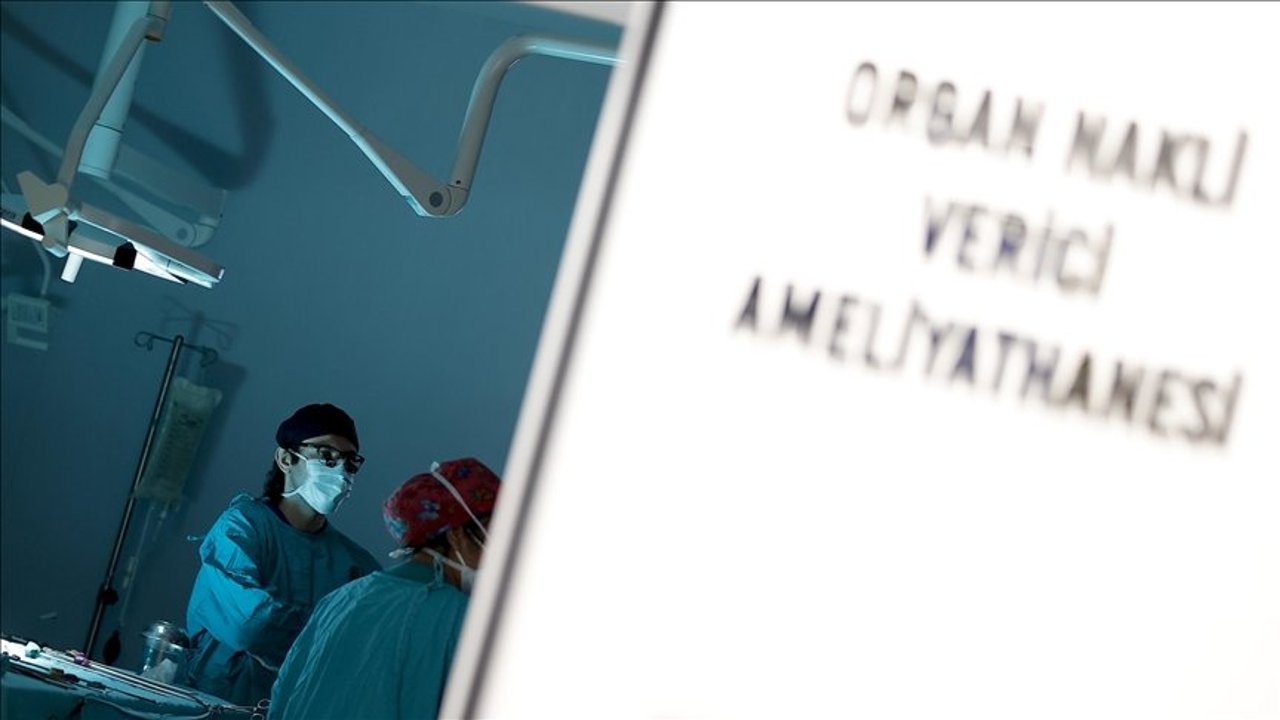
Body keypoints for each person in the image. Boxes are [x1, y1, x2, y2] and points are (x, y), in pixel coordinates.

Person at [267, 457, 501, 720]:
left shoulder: (340, 601)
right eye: (497, 534)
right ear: (456, 536)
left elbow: (283, 699)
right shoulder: (462, 620)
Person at [184, 403, 381, 707]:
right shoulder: (241, 528)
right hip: (218, 703)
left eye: (350, 462)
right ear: (286, 459)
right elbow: (249, 625)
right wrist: (324, 639)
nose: (341, 471)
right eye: (327, 456)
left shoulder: (356, 565)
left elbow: (367, 651)